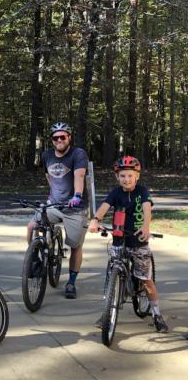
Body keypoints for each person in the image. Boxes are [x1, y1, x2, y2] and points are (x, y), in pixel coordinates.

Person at [88, 156, 168, 333]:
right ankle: (107, 312)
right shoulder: (116, 193)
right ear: (118, 177)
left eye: (130, 176)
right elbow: (104, 207)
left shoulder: (142, 191)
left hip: (138, 241)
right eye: (123, 176)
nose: (126, 179)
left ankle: (156, 314)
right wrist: (95, 220)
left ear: (137, 176)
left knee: (146, 281)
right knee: (111, 275)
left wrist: (146, 227)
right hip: (119, 239)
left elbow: (147, 209)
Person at [26, 122, 88, 299]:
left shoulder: (78, 154)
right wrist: (52, 196)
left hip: (74, 208)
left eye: (63, 137)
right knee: (31, 226)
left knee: (75, 246)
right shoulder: (46, 155)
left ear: (69, 138)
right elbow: (49, 177)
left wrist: (77, 195)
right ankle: (34, 258)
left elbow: (79, 175)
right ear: (52, 140)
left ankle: (71, 282)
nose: (59, 140)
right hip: (53, 204)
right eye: (56, 138)